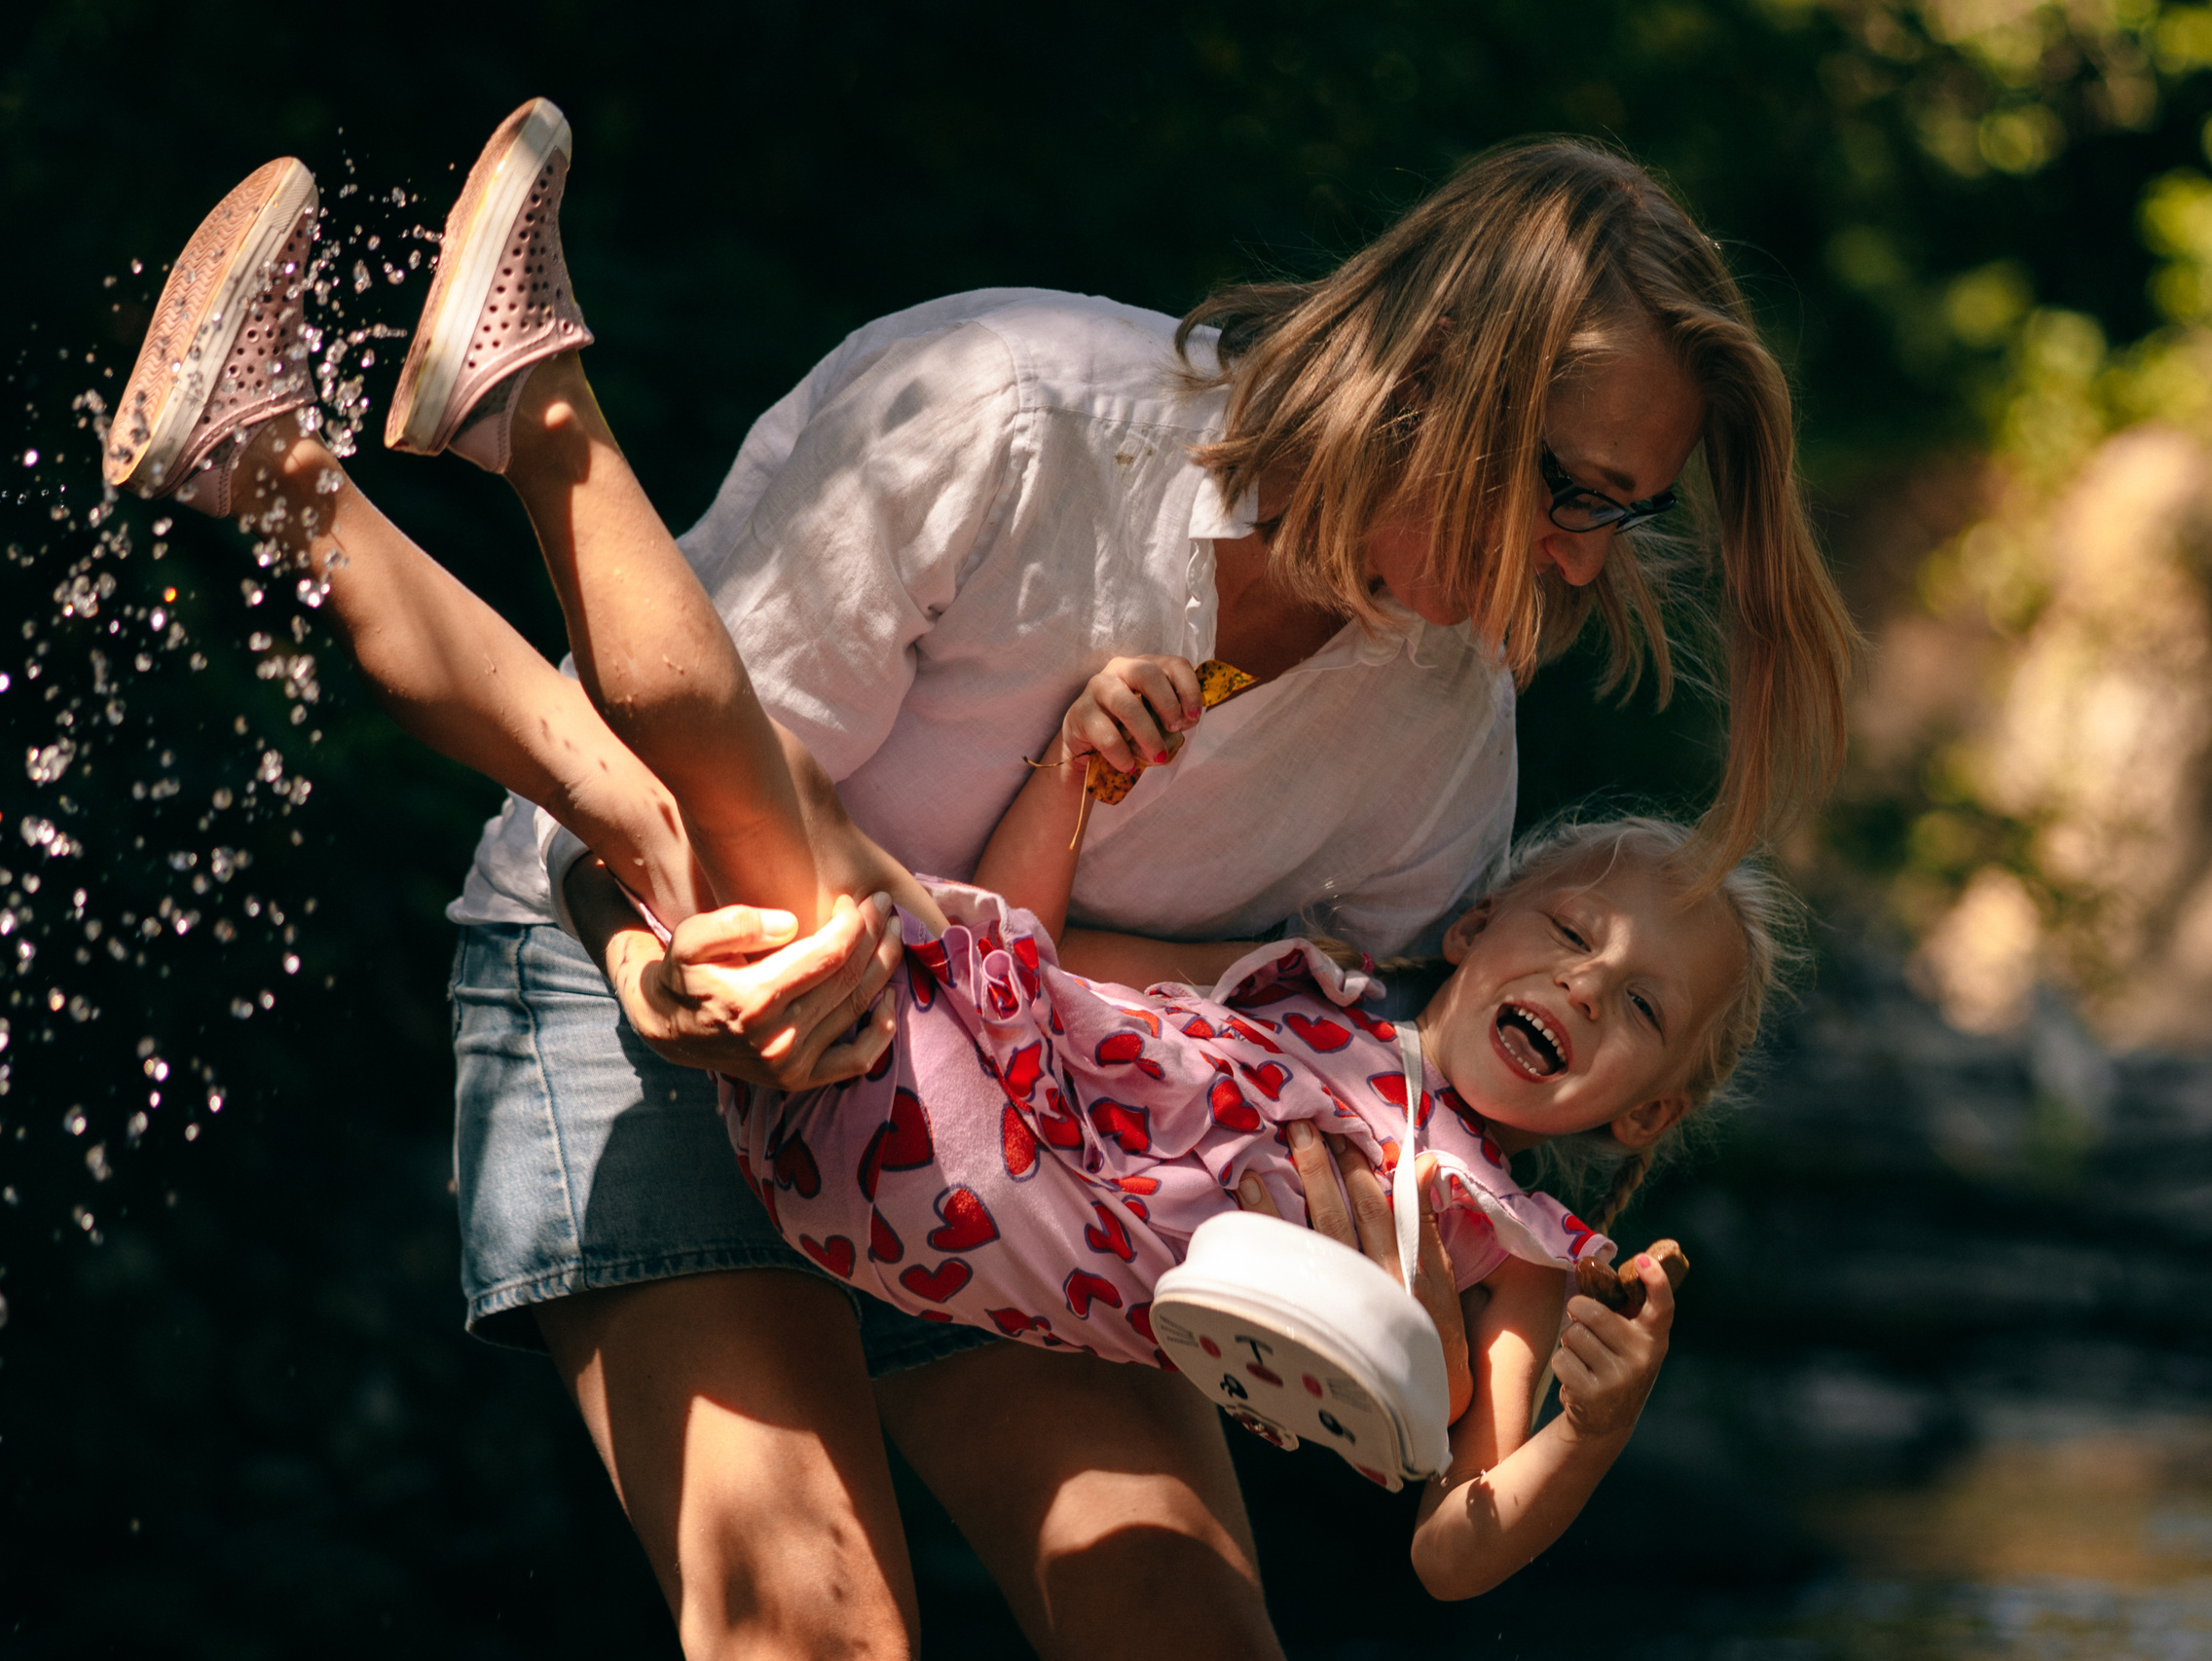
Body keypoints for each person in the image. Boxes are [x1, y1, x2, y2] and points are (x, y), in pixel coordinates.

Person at [104, 98, 1853, 1655]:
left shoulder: (1448, 737)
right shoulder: (1011, 408)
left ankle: (293, 448)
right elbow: (658, 767)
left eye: (1620, 512)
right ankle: (497, 406)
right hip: (653, 967)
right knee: (816, 1628)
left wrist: (1334, 1249)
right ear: (1438, 379)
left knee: (1183, 1626)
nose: (1575, 561)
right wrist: (675, 978)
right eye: (1568, 487)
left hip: (1024, 1162)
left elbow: (1288, 1042)